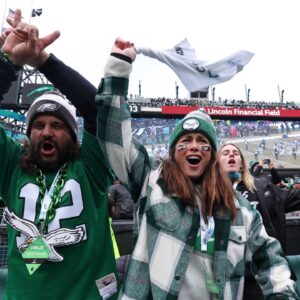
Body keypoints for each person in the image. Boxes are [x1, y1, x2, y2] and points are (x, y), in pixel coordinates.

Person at [96, 39, 299, 299]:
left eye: (203, 142)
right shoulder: (152, 181)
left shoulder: (241, 210)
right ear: (172, 153)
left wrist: (283, 294)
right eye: (185, 142)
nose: (193, 147)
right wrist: (119, 67)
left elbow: (270, 258)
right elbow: (115, 137)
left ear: (213, 157)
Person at [0, 10, 119, 299]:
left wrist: (43, 61)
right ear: (28, 136)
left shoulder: (90, 166)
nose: (47, 132)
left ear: (73, 136)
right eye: (38, 126)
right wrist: (8, 61)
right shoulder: (12, 166)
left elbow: (99, 110)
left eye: (57, 126)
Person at [218, 143, 300, 299]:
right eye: (226, 152)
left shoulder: (263, 188)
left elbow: (295, 196)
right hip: (226, 275)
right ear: (215, 163)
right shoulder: (206, 196)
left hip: (263, 271)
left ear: (242, 164)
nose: (231, 155)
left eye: (235, 153)